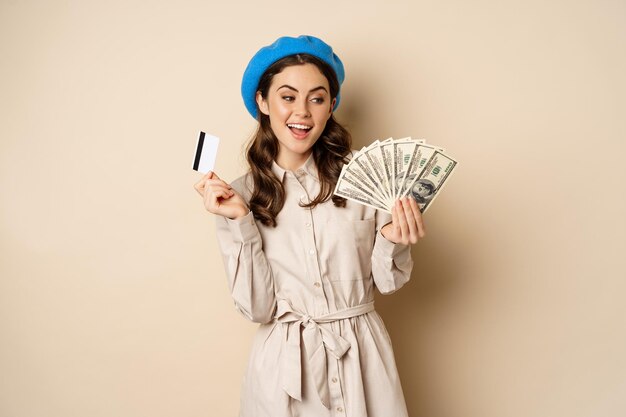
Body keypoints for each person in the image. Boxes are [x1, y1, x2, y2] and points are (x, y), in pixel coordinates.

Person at [194, 35, 425, 417]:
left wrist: (393, 240)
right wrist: (241, 222)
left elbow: (388, 282)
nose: (302, 112)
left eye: (316, 98)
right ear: (262, 102)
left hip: (362, 363)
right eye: (287, 96)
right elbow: (257, 307)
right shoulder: (238, 196)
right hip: (283, 375)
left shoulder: (367, 178)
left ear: (331, 105)